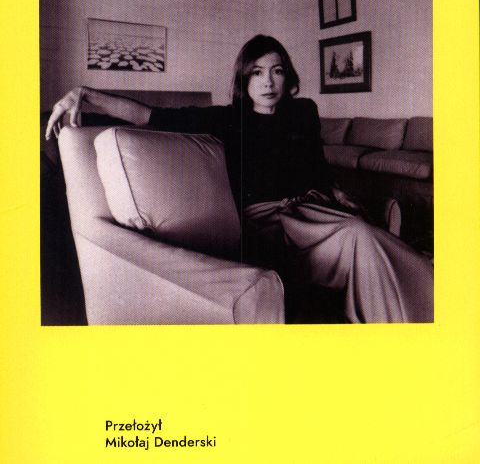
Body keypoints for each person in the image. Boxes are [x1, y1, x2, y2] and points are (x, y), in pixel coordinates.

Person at [46, 34, 433, 323]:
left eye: (277, 71)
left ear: (287, 76)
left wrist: (335, 190)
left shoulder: (304, 112)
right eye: (257, 72)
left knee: (367, 237)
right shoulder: (227, 119)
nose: (268, 82)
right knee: (362, 236)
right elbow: (149, 116)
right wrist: (86, 95)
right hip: (268, 221)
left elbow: (314, 163)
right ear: (244, 79)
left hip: (316, 208)